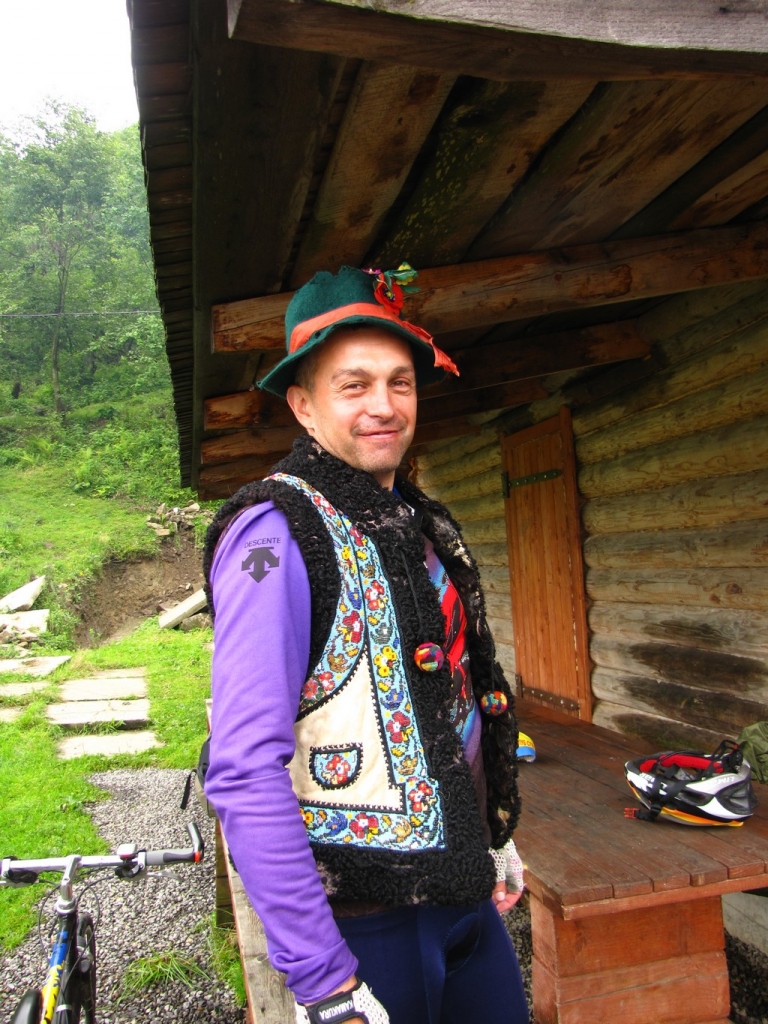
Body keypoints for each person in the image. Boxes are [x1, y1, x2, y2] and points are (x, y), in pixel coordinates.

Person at [203, 264, 529, 1024]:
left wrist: (492, 832)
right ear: (303, 406)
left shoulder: (421, 522)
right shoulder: (276, 534)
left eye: (400, 382)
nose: (384, 405)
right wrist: (324, 980)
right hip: (362, 925)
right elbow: (244, 768)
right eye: (353, 385)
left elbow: (448, 700)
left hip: (463, 895)